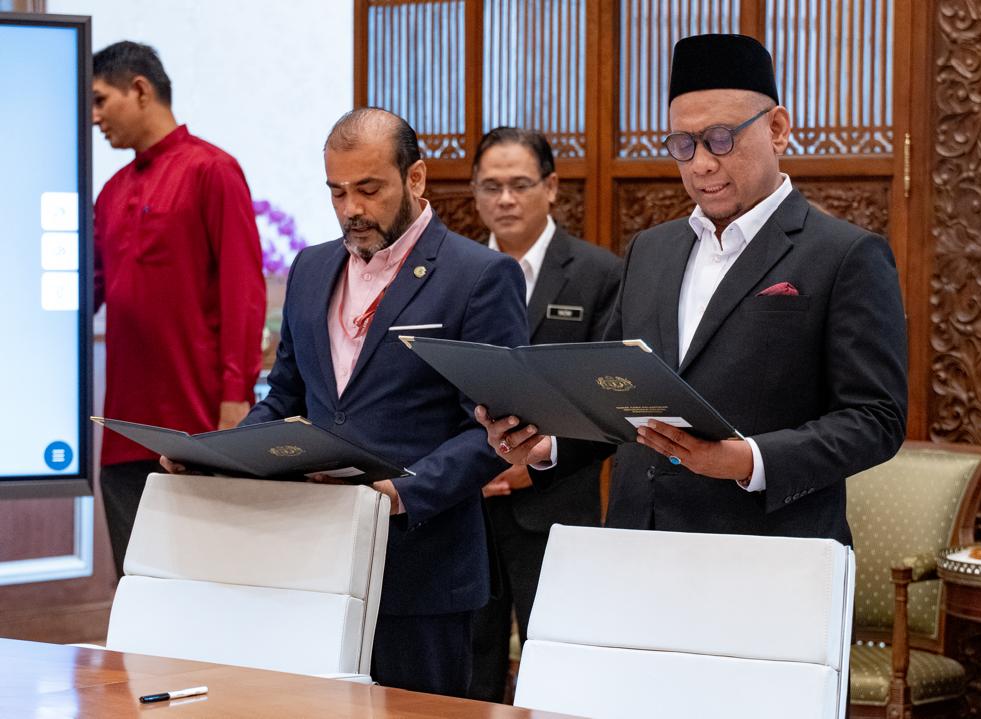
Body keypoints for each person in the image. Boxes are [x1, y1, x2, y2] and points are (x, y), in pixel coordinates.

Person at [477, 33, 908, 546]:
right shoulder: (650, 250)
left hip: (766, 550)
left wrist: (747, 460)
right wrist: (544, 446)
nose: (701, 163)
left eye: (721, 138)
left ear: (777, 129)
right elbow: (613, 397)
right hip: (640, 543)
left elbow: (875, 419)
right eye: (684, 144)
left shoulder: (844, 254)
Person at [235, 108, 528, 697]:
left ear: (415, 178)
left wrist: (401, 493)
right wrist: (225, 455)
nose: (352, 209)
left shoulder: (479, 275)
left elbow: (498, 429)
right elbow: (287, 395)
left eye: (369, 190)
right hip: (315, 557)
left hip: (423, 566)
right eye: (337, 192)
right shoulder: (311, 267)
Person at [92, 41, 265, 577]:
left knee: (206, 585)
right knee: (137, 586)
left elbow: (243, 291)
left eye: (100, 100)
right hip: (123, 429)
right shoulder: (110, 191)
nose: (94, 118)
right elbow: (86, 296)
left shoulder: (213, 170)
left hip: (199, 424)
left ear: (139, 89)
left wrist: (235, 399)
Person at [467, 127, 621, 703]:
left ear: (551, 187)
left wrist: (533, 461)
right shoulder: (456, 270)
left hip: (557, 505)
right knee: (468, 673)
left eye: (520, 185)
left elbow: (609, 399)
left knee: (556, 672)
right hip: (465, 505)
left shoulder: (598, 274)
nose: (505, 199)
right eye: (491, 186)